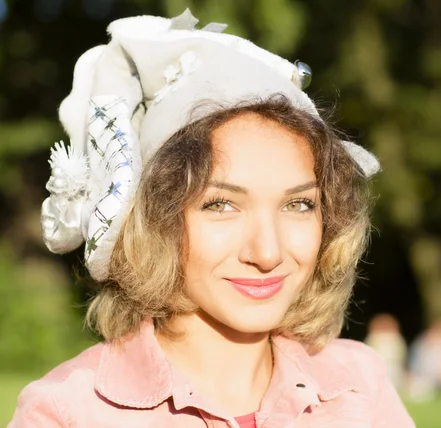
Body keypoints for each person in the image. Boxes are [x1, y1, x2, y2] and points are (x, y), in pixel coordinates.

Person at [9, 10, 415, 428]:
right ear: (153, 219)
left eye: (298, 205)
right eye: (221, 205)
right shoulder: (67, 413)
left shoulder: (359, 386)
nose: (268, 252)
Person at [365, 313, 408, 392]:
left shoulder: (396, 339)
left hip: (393, 367)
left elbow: (400, 355)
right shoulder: (373, 338)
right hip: (377, 366)